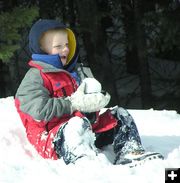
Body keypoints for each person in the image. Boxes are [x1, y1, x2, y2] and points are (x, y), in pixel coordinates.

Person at [15, 19, 163, 167]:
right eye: (58, 46)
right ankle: (86, 164)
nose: (65, 49)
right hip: (54, 139)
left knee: (120, 115)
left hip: (86, 131)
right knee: (75, 125)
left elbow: (85, 106)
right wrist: (73, 103)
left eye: (66, 45)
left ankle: (130, 151)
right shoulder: (35, 76)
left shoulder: (76, 72)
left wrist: (95, 100)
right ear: (42, 50)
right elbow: (38, 110)